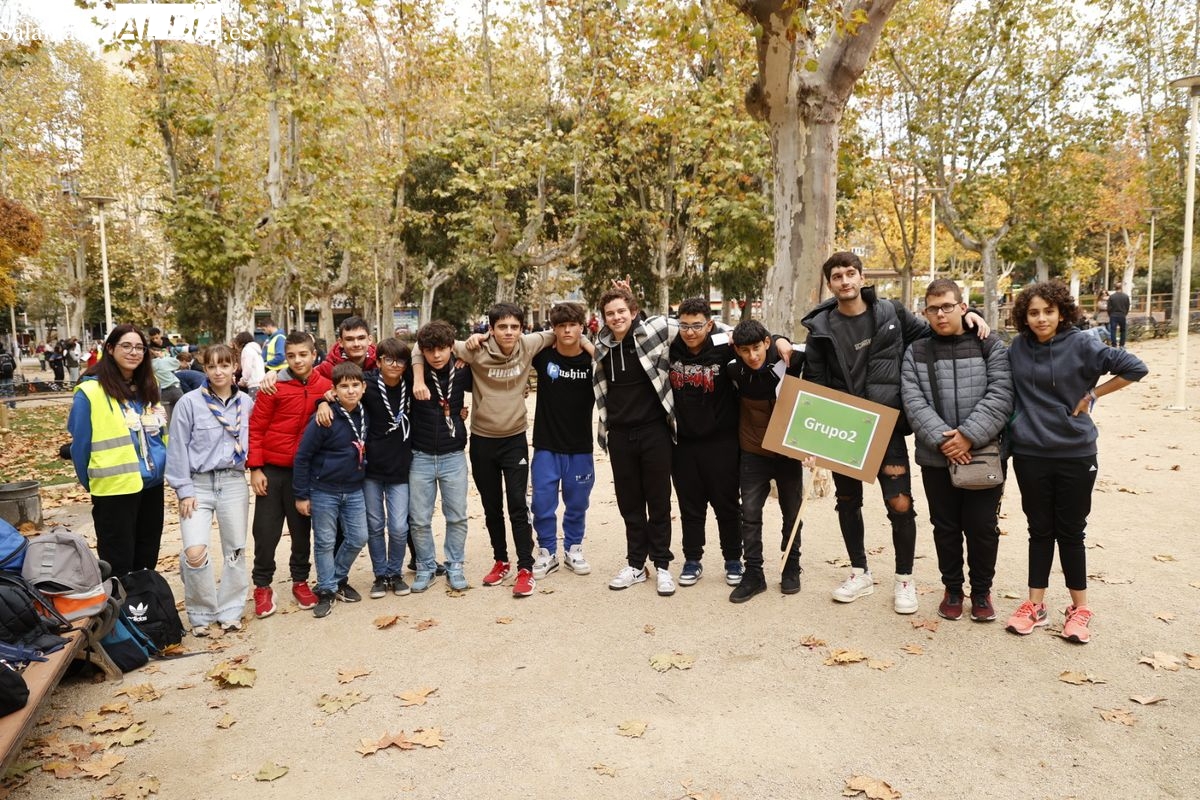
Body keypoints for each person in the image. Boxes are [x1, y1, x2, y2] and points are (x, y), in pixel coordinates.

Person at [800, 251, 989, 615]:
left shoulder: (891, 313)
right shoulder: (820, 329)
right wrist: (813, 440)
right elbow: (815, 385)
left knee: (900, 504)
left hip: (886, 426)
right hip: (844, 427)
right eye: (837, 276)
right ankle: (859, 573)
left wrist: (968, 316)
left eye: (850, 273)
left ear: (861, 276)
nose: (845, 281)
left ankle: (905, 579)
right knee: (847, 502)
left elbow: (933, 334)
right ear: (830, 283)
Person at [1003, 280, 1147, 644]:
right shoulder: (1017, 347)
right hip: (1030, 452)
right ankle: (1035, 605)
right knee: (1039, 529)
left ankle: (1079, 608)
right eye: (1033, 313)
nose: (1041, 319)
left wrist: (1094, 393)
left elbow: (1135, 367)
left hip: (1075, 453)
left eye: (1048, 311)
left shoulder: (1083, 343)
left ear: (1062, 312)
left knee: (1070, 531)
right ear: (1025, 316)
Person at [412, 303, 556, 597]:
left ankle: (525, 568)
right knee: (491, 507)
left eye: (514, 327)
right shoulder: (473, 349)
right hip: (482, 440)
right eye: (502, 327)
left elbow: (564, 333)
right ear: (490, 329)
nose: (509, 332)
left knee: (517, 503)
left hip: (514, 438)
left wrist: (591, 348)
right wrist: (416, 379)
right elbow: (420, 346)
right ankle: (501, 560)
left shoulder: (528, 344)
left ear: (521, 328)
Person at [900, 279, 1013, 623]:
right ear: (925, 312)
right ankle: (952, 589)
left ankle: (981, 591)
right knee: (944, 527)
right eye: (933, 309)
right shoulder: (916, 351)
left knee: (982, 526)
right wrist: (944, 441)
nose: (940, 314)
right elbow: (912, 399)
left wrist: (967, 436)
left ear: (963, 307)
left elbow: (1001, 393)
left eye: (947, 306)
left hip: (983, 454)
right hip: (936, 457)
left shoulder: (989, 345)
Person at [593, 286, 679, 597]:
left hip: (654, 431)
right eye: (609, 313)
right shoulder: (601, 346)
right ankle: (635, 564)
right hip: (619, 435)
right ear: (603, 318)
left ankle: (663, 565)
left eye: (621, 311)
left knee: (658, 501)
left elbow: (697, 326)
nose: (616, 317)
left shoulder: (653, 331)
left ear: (633, 311)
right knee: (630, 502)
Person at [314, 338, 414, 598]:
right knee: (374, 524)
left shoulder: (411, 382)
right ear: (377, 360)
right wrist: (322, 402)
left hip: (400, 468)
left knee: (400, 526)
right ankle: (381, 575)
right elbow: (336, 392)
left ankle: (395, 572)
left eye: (400, 360)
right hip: (370, 470)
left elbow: (429, 359)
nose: (394, 365)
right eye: (388, 360)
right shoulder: (366, 383)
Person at [165, 344, 253, 634]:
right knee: (195, 552)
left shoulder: (247, 404)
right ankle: (201, 613)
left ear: (234, 368)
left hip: (232, 482)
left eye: (224, 365)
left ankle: (230, 610)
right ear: (205, 369)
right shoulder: (189, 403)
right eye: (212, 366)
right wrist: (184, 489)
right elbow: (177, 448)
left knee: (235, 551)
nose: (218, 371)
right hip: (198, 484)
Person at [67, 324, 168, 577]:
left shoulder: (148, 384)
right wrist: (92, 482)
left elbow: (158, 432)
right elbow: (80, 448)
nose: (133, 352)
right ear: (110, 349)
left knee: (147, 557)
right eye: (126, 346)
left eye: (139, 348)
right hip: (114, 489)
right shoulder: (90, 391)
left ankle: (146, 609)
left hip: (151, 485)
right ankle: (122, 612)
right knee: (118, 562)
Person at [246, 331, 333, 618]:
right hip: (272, 470)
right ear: (285, 357)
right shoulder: (274, 387)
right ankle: (262, 586)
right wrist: (256, 468)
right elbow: (256, 428)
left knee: (301, 532)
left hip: (304, 473)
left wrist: (324, 401)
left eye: (303, 354)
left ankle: (300, 581)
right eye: (291, 355)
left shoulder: (325, 386)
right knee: (265, 532)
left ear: (313, 355)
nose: (297, 360)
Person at [725, 320, 805, 602]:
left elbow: (817, 354)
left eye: (757, 348)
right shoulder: (732, 367)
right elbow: (707, 337)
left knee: (792, 511)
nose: (752, 356)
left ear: (767, 343)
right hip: (753, 450)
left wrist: (783, 339)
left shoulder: (788, 360)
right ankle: (754, 573)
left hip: (787, 451)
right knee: (749, 512)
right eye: (744, 350)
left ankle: (791, 565)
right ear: (736, 349)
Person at [668, 298, 743, 587]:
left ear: (709, 325)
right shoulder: (670, 348)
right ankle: (692, 559)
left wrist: (782, 341)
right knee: (690, 505)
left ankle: (733, 559)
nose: (690, 332)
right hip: (683, 443)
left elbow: (758, 339)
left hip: (721, 441)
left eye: (697, 325)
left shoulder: (725, 347)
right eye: (684, 325)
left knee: (727, 505)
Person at [293, 362, 371, 618]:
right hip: (324, 490)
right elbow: (303, 457)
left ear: (363, 387)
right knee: (325, 541)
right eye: (344, 386)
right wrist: (302, 494)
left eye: (355, 385)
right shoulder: (323, 419)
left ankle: (334, 579)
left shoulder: (364, 413)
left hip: (354, 488)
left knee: (359, 536)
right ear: (334, 390)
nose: (350, 391)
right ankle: (326, 590)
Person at [529, 303, 596, 579]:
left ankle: (573, 549)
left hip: (580, 447)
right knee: (542, 502)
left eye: (572, 325)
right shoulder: (543, 358)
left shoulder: (593, 361)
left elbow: (612, 357)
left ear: (582, 326)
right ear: (553, 329)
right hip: (546, 445)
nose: (567, 330)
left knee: (577, 502)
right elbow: (510, 348)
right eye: (561, 325)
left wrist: (590, 346)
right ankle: (546, 551)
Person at [407, 321, 472, 593]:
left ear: (451, 348)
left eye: (442, 349)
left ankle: (455, 565)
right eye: (429, 350)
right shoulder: (412, 374)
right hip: (420, 456)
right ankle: (425, 566)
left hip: (453, 455)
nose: (436, 355)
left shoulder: (463, 369)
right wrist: (419, 377)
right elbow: (410, 351)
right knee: (419, 518)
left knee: (456, 515)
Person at [150, 343, 183, 420]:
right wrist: (163, 357)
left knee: (167, 419)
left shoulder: (147, 367)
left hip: (162, 393)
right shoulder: (161, 361)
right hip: (175, 389)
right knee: (183, 415)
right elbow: (177, 363)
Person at [233, 331, 265, 398]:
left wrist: (242, 382)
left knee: (252, 406)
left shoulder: (246, 350)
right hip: (261, 383)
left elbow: (247, 369)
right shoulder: (255, 350)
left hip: (254, 385)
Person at [1106, 282, 1130, 348]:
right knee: (1123, 330)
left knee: (1113, 330)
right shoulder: (1125, 296)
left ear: (1115, 288)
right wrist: (1125, 313)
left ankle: (1114, 344)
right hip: (1122, 314)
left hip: (1113, 315)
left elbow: (1109, 307)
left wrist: (1110, 314)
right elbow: (1127, 306)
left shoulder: (1112, 297)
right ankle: (1122, 344)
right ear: (1121, 288)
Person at [0, 344, 16, 410]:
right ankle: (13, 405)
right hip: (9, 376)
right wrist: (10, 372)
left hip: (0, 376)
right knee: (11, 391)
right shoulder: (8, 355)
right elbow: (14, 365)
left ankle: (6, 406)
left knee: (3, 391)